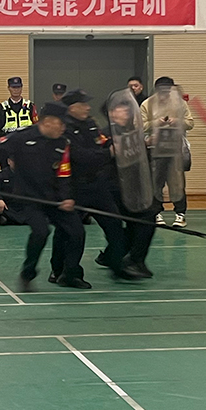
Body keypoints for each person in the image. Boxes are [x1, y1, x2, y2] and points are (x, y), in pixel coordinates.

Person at [0, 102, 89, 290]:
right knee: (41, 232)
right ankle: (27, 273)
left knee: (77, 232)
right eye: (61, 123)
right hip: (30, 199)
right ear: (49, 122)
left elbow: (64, 173)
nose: (63, 128)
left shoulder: (62, 143)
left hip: (55, 198)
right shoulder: (22, 137)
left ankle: (69, 274)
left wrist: (66, 197)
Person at [62, 89, 141, 281]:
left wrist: (115, 144)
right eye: (83, 104)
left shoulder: (90, 124)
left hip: (97, 185)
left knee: (115, 225)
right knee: (72, 233)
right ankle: (67, 272)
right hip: (75, 187)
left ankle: (116, 265)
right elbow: (79, 156)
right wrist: (109, 153)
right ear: (72, 107)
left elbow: (100, 143)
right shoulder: (64, 129)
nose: (88, 107)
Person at [104, 90, 157, 279]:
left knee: (142, 221)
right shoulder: (106, 134)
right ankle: (133, 260)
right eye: (121, 109)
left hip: (133, 187)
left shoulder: (133, 133)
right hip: (113, 189)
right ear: (112, 113)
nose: (126, 112)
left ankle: (120, 257)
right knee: (143, 220)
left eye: (128, 109)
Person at [141, 76, 193, 227]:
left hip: (175, 148)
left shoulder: (180, 103)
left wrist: (177, 121)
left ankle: (180, 214)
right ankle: (156, 213)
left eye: (167, 90)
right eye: (161, 90)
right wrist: (155, 123)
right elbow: (140, 125)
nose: (164, 93)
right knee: (155, 182)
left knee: (177, 182)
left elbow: (190, 123)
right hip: (155, 148)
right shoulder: (147, 104)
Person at [0, 76, 37, 142]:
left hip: (27, 142)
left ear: (21, 88)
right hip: (9, 143)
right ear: (9, 88)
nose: (16, 90)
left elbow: (36, 126)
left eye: (18, 87)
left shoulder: (30, 106)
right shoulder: (2, 108)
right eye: (13, 87)